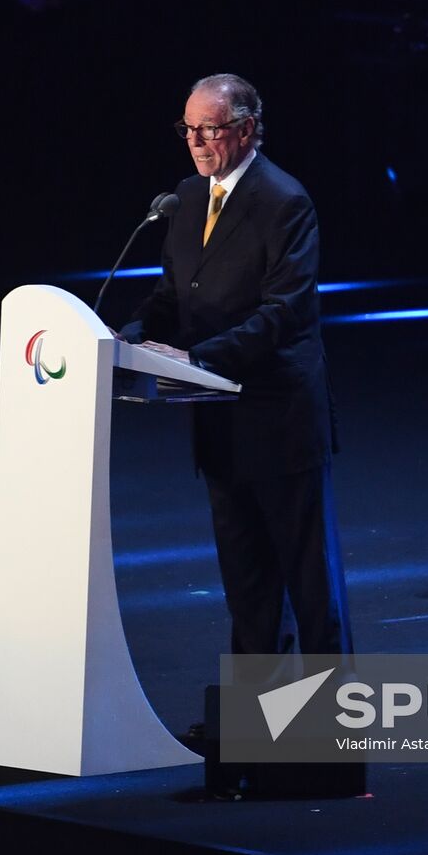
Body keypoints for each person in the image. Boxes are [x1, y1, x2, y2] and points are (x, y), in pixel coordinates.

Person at [122, 73, 352, 656]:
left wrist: (197, 357)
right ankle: (258, 726)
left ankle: (334, 730)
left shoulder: (284, 201)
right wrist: (126, 337)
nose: (197, 142)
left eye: (210, 129)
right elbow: (175, 294)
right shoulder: (187, 197)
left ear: (247, 129)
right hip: (217, 418)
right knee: (247, 588)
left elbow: (284, 313)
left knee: (309, 583)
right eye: (188, 129)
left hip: (278, 417)